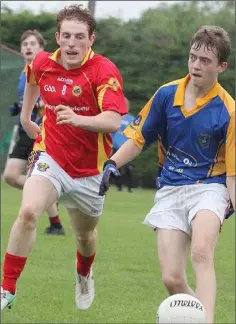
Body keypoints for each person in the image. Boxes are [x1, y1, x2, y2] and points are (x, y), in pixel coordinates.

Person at [99, 26, 235, 323]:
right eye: (193, 57)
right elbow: (138, 137)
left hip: (210, 188)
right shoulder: (165, 95)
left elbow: (233, 171)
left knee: (201, 251)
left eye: (205, 61)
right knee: (173, 278)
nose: (196, 65)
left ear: (221, 67)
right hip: (171, 188)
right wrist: (112, 164)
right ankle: (194, 317)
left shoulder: (228, 110)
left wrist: (232, 203)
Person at [1, 4, 127, 312]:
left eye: (79, 37)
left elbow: (112, 120)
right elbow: (32, 78)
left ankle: (83, 271)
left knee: (85, 235)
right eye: (66, 36)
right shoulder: (44, 62)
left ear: (91, 40)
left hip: (90, 171)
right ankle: (6, 288)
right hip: (50, 156)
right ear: (57, 37)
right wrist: (29, 118)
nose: (72, 43)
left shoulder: (104, 71)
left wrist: (78, 119)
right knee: (29, 211)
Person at [3, 29, 65, 236]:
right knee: (11, 176)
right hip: (24, 132)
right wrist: (19, 107)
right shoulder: (24, 72)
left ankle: (55, 223)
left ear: (41, 48)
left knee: (36, 180)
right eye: (25, 44)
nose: (28, 47)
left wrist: (43, 102)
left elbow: (60, 95)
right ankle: (50, 196)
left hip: (42, 133)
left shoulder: (48, 69)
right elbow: (26, 101)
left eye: (32, 44)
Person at [111, 98, 135, 192]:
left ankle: (130, 187)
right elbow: (111, 133)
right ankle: (119, 187)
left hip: (126, 147)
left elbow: (134, 134)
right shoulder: (116, 118)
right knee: (117, 168)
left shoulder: (131, 119)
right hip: (116, 146)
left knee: (128, 168)